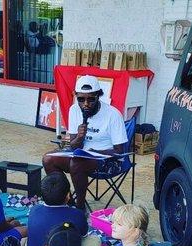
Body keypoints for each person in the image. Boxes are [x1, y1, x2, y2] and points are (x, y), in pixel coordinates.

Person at [42, 75, 128, 210]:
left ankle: (80, 207)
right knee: (48, 159)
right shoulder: (74, 109)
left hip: (107, 160)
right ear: (76, 97)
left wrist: (95, 153)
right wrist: (80, 137)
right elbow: (74, 145)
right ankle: (66, 200)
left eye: (91, 99)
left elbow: (119, 151)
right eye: (81, 99)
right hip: (80, 155)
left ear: (98, 96)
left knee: (76, 163)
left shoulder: (113, 114)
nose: (86, 104)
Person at [23, 171, 101, 246]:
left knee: (28, 240)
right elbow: (83, 235)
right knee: (94, 241)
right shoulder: (77, 214)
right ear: (68, 196)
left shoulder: (34, 210)